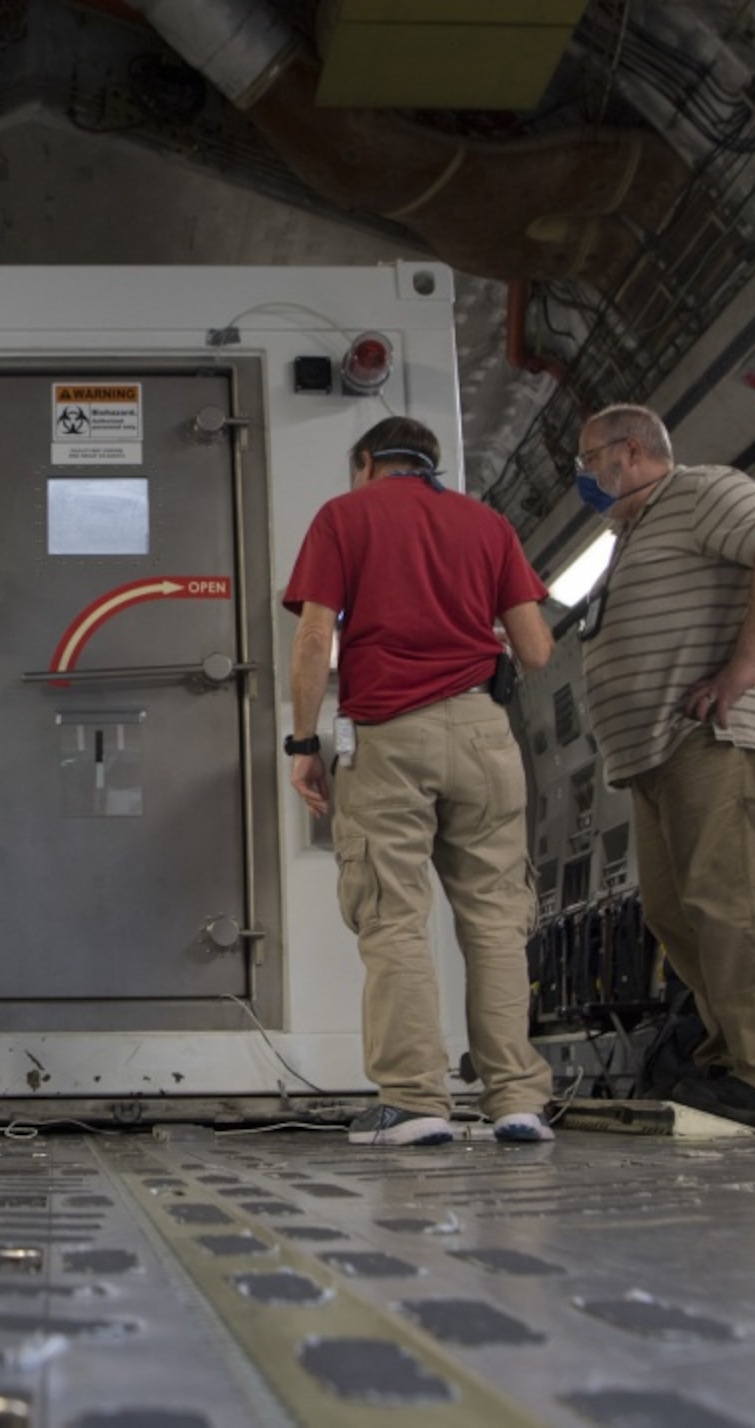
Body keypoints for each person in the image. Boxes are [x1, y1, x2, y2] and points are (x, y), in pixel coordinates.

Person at [282, 416, 558, 1146]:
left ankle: (414, 1101)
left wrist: (304, 741)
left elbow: (315, 637)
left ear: (367, 462)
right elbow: (535, 650)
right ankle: (516, 1102)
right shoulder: (489, 524)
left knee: (393, 915)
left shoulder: (345, 516)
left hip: (388, 734)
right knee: (497, 920)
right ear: (431, 462)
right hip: (483, 733)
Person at [573, 403, 755, 1131]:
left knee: (735, 902)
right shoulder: (634, 532)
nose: (586, 478)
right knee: (676, 912)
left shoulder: (701, 490)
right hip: (657, 754)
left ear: (628, 452)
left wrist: (740, 672)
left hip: (720, 737)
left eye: (590, 461)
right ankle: (732, 1060)